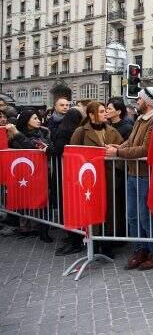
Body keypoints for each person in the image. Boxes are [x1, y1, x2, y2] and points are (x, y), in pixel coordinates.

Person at [105, 87, 153, 271]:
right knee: (132, 216)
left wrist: (118, 152)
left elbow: (146, 150)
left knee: (145, 216)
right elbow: (131, 142)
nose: (136, 101)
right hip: (132, 173)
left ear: (147, 102)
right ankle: (140, 249)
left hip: (145, 175)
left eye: (139, 99)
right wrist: (118, 146)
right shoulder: (140, 119)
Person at [70, 101, 124, 258]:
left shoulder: (113, 131)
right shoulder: (81, 131)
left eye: (105, 110)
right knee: (91, 210)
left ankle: (106, 244)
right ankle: (92, 243)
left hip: (109, 178)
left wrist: (116, 161)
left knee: (109, 210)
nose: (105, 113)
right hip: (89, 180)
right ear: (91, 115)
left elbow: (122, 152)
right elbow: (73, 155)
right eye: (101, 111)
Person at [8, 108, 55, 242]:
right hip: (25, 174)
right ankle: (26, 226)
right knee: (25, 198)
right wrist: (17, 134)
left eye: (38, 118)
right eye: (35, 118)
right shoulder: (15, 136)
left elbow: (41, 147)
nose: (39, 120)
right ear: (26, 120)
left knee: (44, 200)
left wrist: (17, 134)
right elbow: (26, 146)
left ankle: (43, 229)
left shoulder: (44, 132)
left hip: (43, 172)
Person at [51, 108, 85, 255]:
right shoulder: (73, 131)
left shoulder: (64, 131)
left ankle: (74, 241)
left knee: (68, 208)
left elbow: (58, 150)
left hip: (66, 173)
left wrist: (47, 149)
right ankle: (73, 238)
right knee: (71, 207)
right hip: (70, 173)